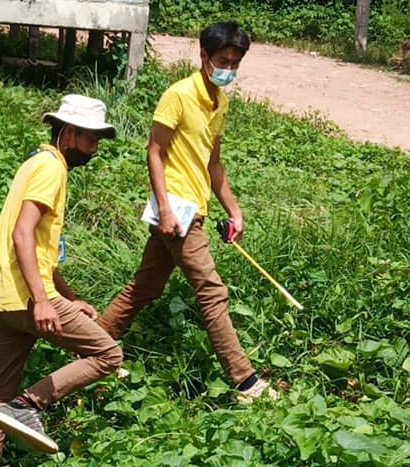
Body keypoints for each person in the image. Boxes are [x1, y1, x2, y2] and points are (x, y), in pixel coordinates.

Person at [97, 21, 278, 403]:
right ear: (203, 56)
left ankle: (92, 344)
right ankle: (245, 382)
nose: (228, 67)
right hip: (178, 212)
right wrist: (164, 209)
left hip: (193, 208)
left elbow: (213, 163)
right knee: (212, 292)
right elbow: (154, 151)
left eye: (235, 62)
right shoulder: (177, 95)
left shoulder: (220, 102)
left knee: (144, 288)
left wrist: (235, 210)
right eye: (222, 60)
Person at [0, 94, 124, 460]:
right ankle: (28, 404)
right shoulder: (52, 168)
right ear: (70, 133)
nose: (94, 150)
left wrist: (68, 297)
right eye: (91, 140)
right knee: (108, 354)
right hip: (27, 297)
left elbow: (43, 252)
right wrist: (43, 300)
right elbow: (22, 234)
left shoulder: (34, 163)